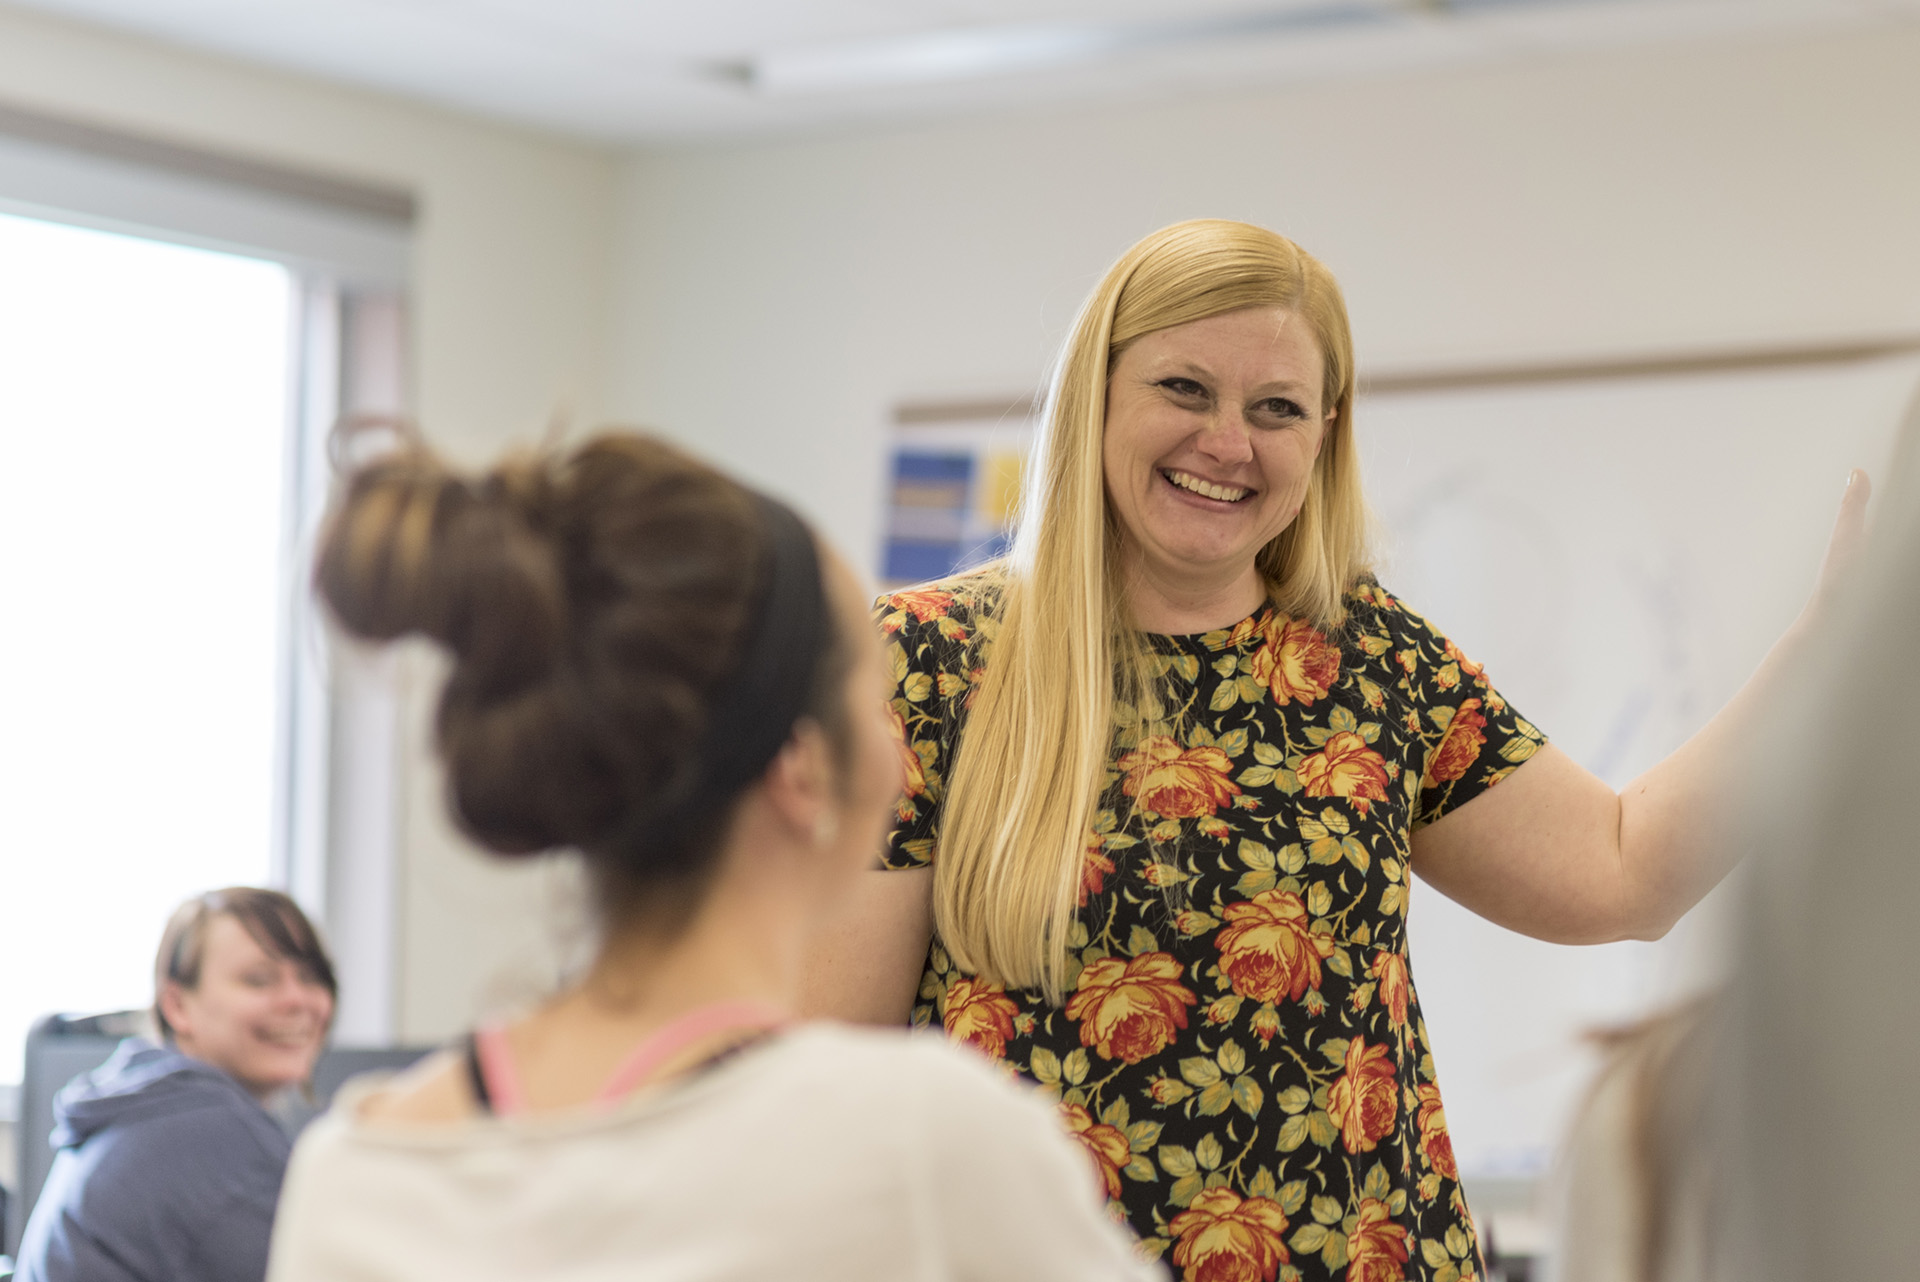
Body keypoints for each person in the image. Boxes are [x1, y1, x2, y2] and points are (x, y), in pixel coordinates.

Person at [800, 218, 1869, 1279]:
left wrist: (1828, 649)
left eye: (1277, 409)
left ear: (1324, 436)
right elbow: (839, 1075)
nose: (1229, 443)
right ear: (1097, 395)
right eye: (1184, 389)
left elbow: (1623, 871)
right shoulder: (928, 662)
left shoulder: (1371, 659)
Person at [265, 430, 1160, 1281]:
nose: (899, 754)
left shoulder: (351, 1180)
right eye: (878, 698)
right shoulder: (927, 1144)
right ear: (803, 767)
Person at [15, 887, 337, 1282]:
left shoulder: (146, 1108)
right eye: (259, 980)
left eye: (310, 977)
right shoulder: (214, 1137)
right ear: (177, 1006)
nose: (298, 999)